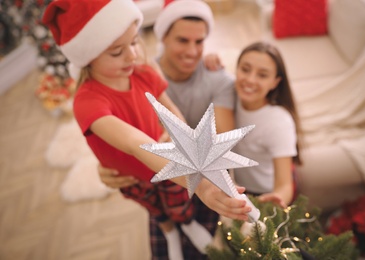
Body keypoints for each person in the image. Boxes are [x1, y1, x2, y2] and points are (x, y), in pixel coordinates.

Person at [42, 1, 251, 259]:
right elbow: (134, 143)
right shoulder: (87, 102)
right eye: (117, 51)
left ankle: (185, 224)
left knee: (178, 204)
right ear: (88, 56)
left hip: (167, 167)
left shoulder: (143, 73)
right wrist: (197, 184)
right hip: (132, 178)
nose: (131, 55)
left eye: (133, 42)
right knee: (155, 209)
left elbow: (173, 113)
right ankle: (170, 232)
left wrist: (194, 160)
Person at [98, 1, 237, 259]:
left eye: (200, 42)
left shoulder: (219, 79)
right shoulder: (133, 77)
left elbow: (221, 148)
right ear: (162, 36)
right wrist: (107, 165)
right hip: (160, 176)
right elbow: (119, 132)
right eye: (182, 40)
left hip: (204, 175)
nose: (192, 51)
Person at [232, 42, 303, 208]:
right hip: (237, 185)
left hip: (265, 192)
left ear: (275, 82)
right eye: (245, 69)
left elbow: (285, 185)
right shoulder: (228, 95)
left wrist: (276, 199)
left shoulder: (279, 122)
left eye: (262, 75)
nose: (250, 80)